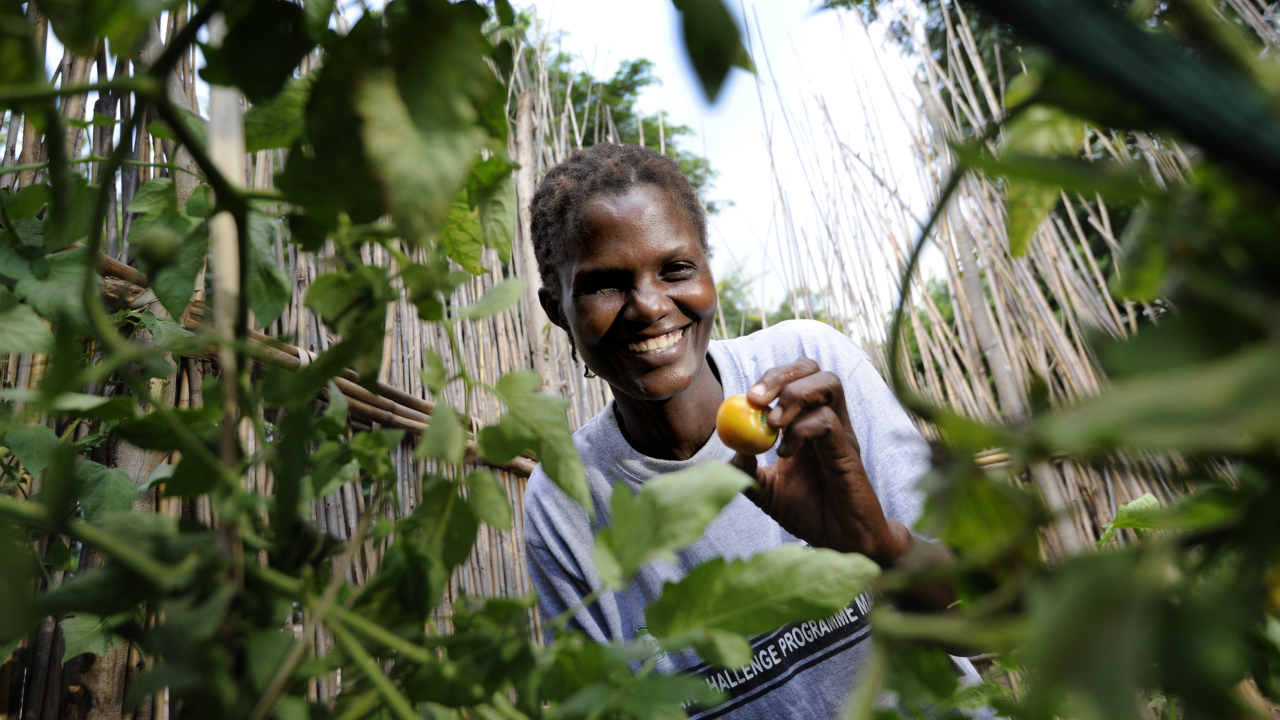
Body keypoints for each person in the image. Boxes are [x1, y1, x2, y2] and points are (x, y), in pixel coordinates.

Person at [522, 143, 984, 719]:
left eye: (676, 270)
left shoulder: (813, 374)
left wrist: (876, 543)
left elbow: (988, 625)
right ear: (556, 308)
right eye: (605, 284)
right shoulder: (565, 498)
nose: (647, 306)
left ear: (708, 272)